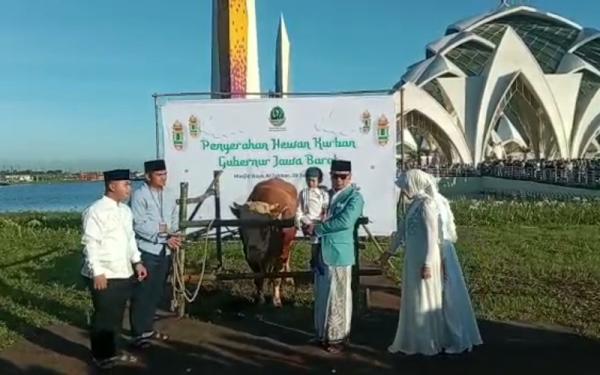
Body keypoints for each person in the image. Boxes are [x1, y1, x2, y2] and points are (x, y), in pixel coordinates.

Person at [81, 169, 148, 369]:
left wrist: (137, 261)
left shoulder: (125, 211)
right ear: (112, 186)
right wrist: (97, 271)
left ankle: (115, 351)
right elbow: (90, 244)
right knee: (104, 317)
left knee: (117, 316)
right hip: (104, 274)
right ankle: (101, 356)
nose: (130, 188)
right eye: (126, 184)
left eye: (129, 184)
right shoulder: (95, 211)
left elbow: (130, 239)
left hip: (124, 271)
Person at [381, 169, 445, 356]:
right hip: (412, 257)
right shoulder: (414, 204)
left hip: (425, 258)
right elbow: (402, 231)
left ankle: (427, 341)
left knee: (423, 297)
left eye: (406, 185)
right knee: (413, 297)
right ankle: (414, 339)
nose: (404, 189)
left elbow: (432, 237)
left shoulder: (427, 205)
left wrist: (427, 263)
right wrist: (389, 252)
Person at [303, 159, 364, 353]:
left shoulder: (354, 198)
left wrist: (317, 229)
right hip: (321, 251)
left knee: (339, 297)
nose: (338, 180)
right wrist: (306, 225)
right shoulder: (326, 195)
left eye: (342, 177)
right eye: (334, 176)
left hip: (339, 253)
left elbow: (345, 222)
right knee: (322, 296)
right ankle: (322, 333)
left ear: (350, 177)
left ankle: (338, 338)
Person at [129, 159, 181, 348]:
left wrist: (175, 234)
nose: (163, 178)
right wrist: (163, 238)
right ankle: (138, 334)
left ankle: (148, 328)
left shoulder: (170, 194)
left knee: (156, 291)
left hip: (165, 251)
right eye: (159, 175)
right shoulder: (139, 196)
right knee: (143, 292)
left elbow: (175, 217)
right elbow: (138, 224)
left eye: (165, 174)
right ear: (148, 176)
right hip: (147, 250)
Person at [428, 174, 482, 353]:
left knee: (447, 295)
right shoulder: (440, 200)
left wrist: (440, 262)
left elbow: (440, 234)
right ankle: (447, 335)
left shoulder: (433, 204)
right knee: (448, 294)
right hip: (444, 251)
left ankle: (452, 336)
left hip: (441, 252)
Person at [295, 167, 329, 272]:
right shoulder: (303, 193)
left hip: (320, 222)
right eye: (308, 180)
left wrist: (323, 218)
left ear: (319, 181)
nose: (311, 183)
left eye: (313, 180)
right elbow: (299, 209)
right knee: (314, 244)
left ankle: (323, 263)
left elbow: (325, 209)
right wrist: (298, 220)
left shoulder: (323, 194)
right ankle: (314, 264)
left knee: (323, 244)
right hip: (308, 221)